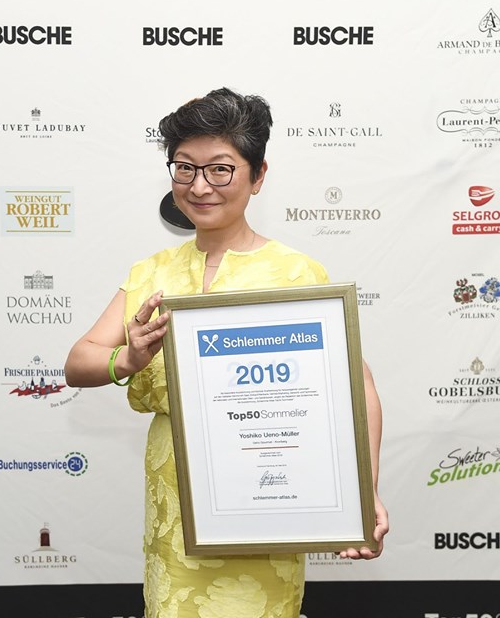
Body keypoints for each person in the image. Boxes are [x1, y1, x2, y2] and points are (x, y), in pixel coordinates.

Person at [64, 87, 388, 618]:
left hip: (271, 497)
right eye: (185, 168)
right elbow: (78, 362)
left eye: (220, 169)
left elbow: (360, 386)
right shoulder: (151, 273)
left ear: (257, 176)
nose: (199, 186)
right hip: (178, 506)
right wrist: (126, 360)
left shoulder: (295, 273)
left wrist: (363, 493)